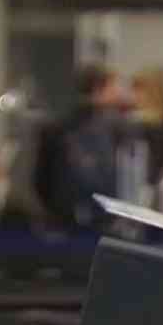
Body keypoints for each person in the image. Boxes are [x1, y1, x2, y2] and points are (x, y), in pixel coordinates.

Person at [34, 64, 127, 229]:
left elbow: (40, 180)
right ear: (99, 89)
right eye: (114, 87)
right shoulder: (115, 128)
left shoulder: (55, 125)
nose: (119, 92)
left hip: (60, 220)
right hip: (102, 221)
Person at [130, 69, 163, 187]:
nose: (133, 95)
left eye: (137, 90)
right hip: (152, 180)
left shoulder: (151, 122)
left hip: (147, 182)